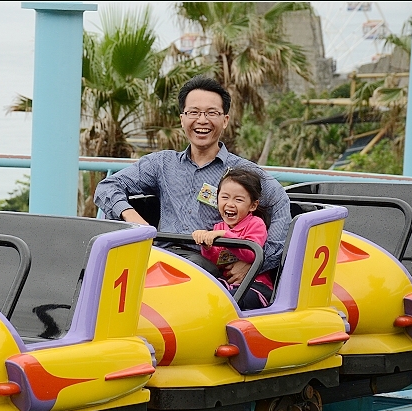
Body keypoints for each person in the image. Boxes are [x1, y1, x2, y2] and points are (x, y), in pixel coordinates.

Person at [94, 74, 291, 284]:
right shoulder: (162, 164)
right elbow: (108, 186)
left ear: (225, 120)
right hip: (158, 257)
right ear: (182, 119)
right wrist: (131, 216)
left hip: (204, 267)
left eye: (211, 113)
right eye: (194, 112)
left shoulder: (242, 173)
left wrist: (257, 263)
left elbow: (280, 203)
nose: (202, 120)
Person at [192, 167, 274, 309]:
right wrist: (206, 245)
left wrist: (225, 236)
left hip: (255, 286)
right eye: (225, 197)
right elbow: (215, 261)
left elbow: (250, 255)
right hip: (228, 284)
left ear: (253, 205)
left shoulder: (256, 224)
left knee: (227, 300)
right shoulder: (218, 227)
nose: (230, 204)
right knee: (205, 293)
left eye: (238, 199)